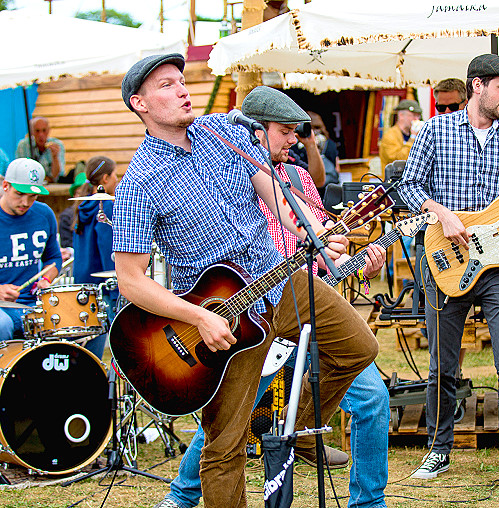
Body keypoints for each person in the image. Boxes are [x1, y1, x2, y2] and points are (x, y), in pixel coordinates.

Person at [114, 53, 378, 508]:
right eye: (166, 85)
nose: (182, 90)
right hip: (221, 318)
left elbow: (271, 190)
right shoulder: (138, 181)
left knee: (360, 347)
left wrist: (311, 230)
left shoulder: (222, 132)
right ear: (140, 103)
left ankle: (301, 426)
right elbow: (131, 280)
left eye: (181, 80)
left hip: (278, 280)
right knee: (225, 444)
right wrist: (199, 317)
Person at [399, 53, 499, 493]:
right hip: (444, 261)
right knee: (442, 367)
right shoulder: (435, 130)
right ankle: (439, 448)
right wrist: (442, 213)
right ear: (477, 86)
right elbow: (408, 186)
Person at [0, 158, 62, 341]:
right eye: (19, 194)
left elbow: (54, 257)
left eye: (32, 196)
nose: (25, 202)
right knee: (2, 325)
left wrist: (46, 278)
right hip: (2, 308)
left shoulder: (44, 214)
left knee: (88, 322)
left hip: (33, 304)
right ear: (5, 186)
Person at [72, 156, 120, 360]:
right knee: (116, 345)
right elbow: (107, 248)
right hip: (104, 286)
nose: (117, 179)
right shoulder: (104, 206)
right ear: (106, 179)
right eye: (115, 174)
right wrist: (117, 287)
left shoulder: (83, 205)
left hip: (83, 283)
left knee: (90, 349)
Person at [15, 117, 66, 183]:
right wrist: (45, 178)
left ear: (48, 131)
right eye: (37, 131)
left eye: (44, 130)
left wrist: (55, 157)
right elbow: (21, 172)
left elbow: (56, 177)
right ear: (32, 132)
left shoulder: (57, 145)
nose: (41, 135)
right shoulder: (23, 146)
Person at [378, 99, 423, 171]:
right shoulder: (390, 135)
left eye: (418, 116)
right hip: (394, 177)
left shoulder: (414, 134)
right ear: (401, 115)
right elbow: (398, 160)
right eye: (413, 115)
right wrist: (413, 138)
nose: (416, 119)